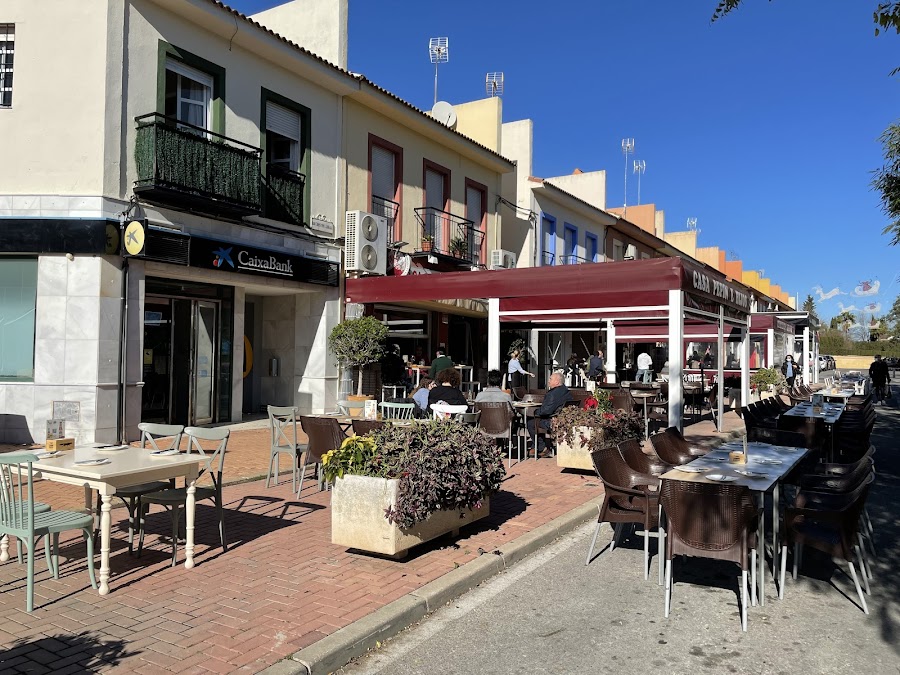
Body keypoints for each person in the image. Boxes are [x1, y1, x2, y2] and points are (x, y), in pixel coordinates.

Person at [526, 372, 572, 457]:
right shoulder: (565, 390)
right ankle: (537, 446)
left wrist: (535, 412)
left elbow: (546, 411)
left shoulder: (552, 394)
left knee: (531, 422)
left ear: (557, 382)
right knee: (536, 420)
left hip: (553, 421)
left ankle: (542, 447)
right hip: (562, 419)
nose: (548, 381)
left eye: (550, 379)